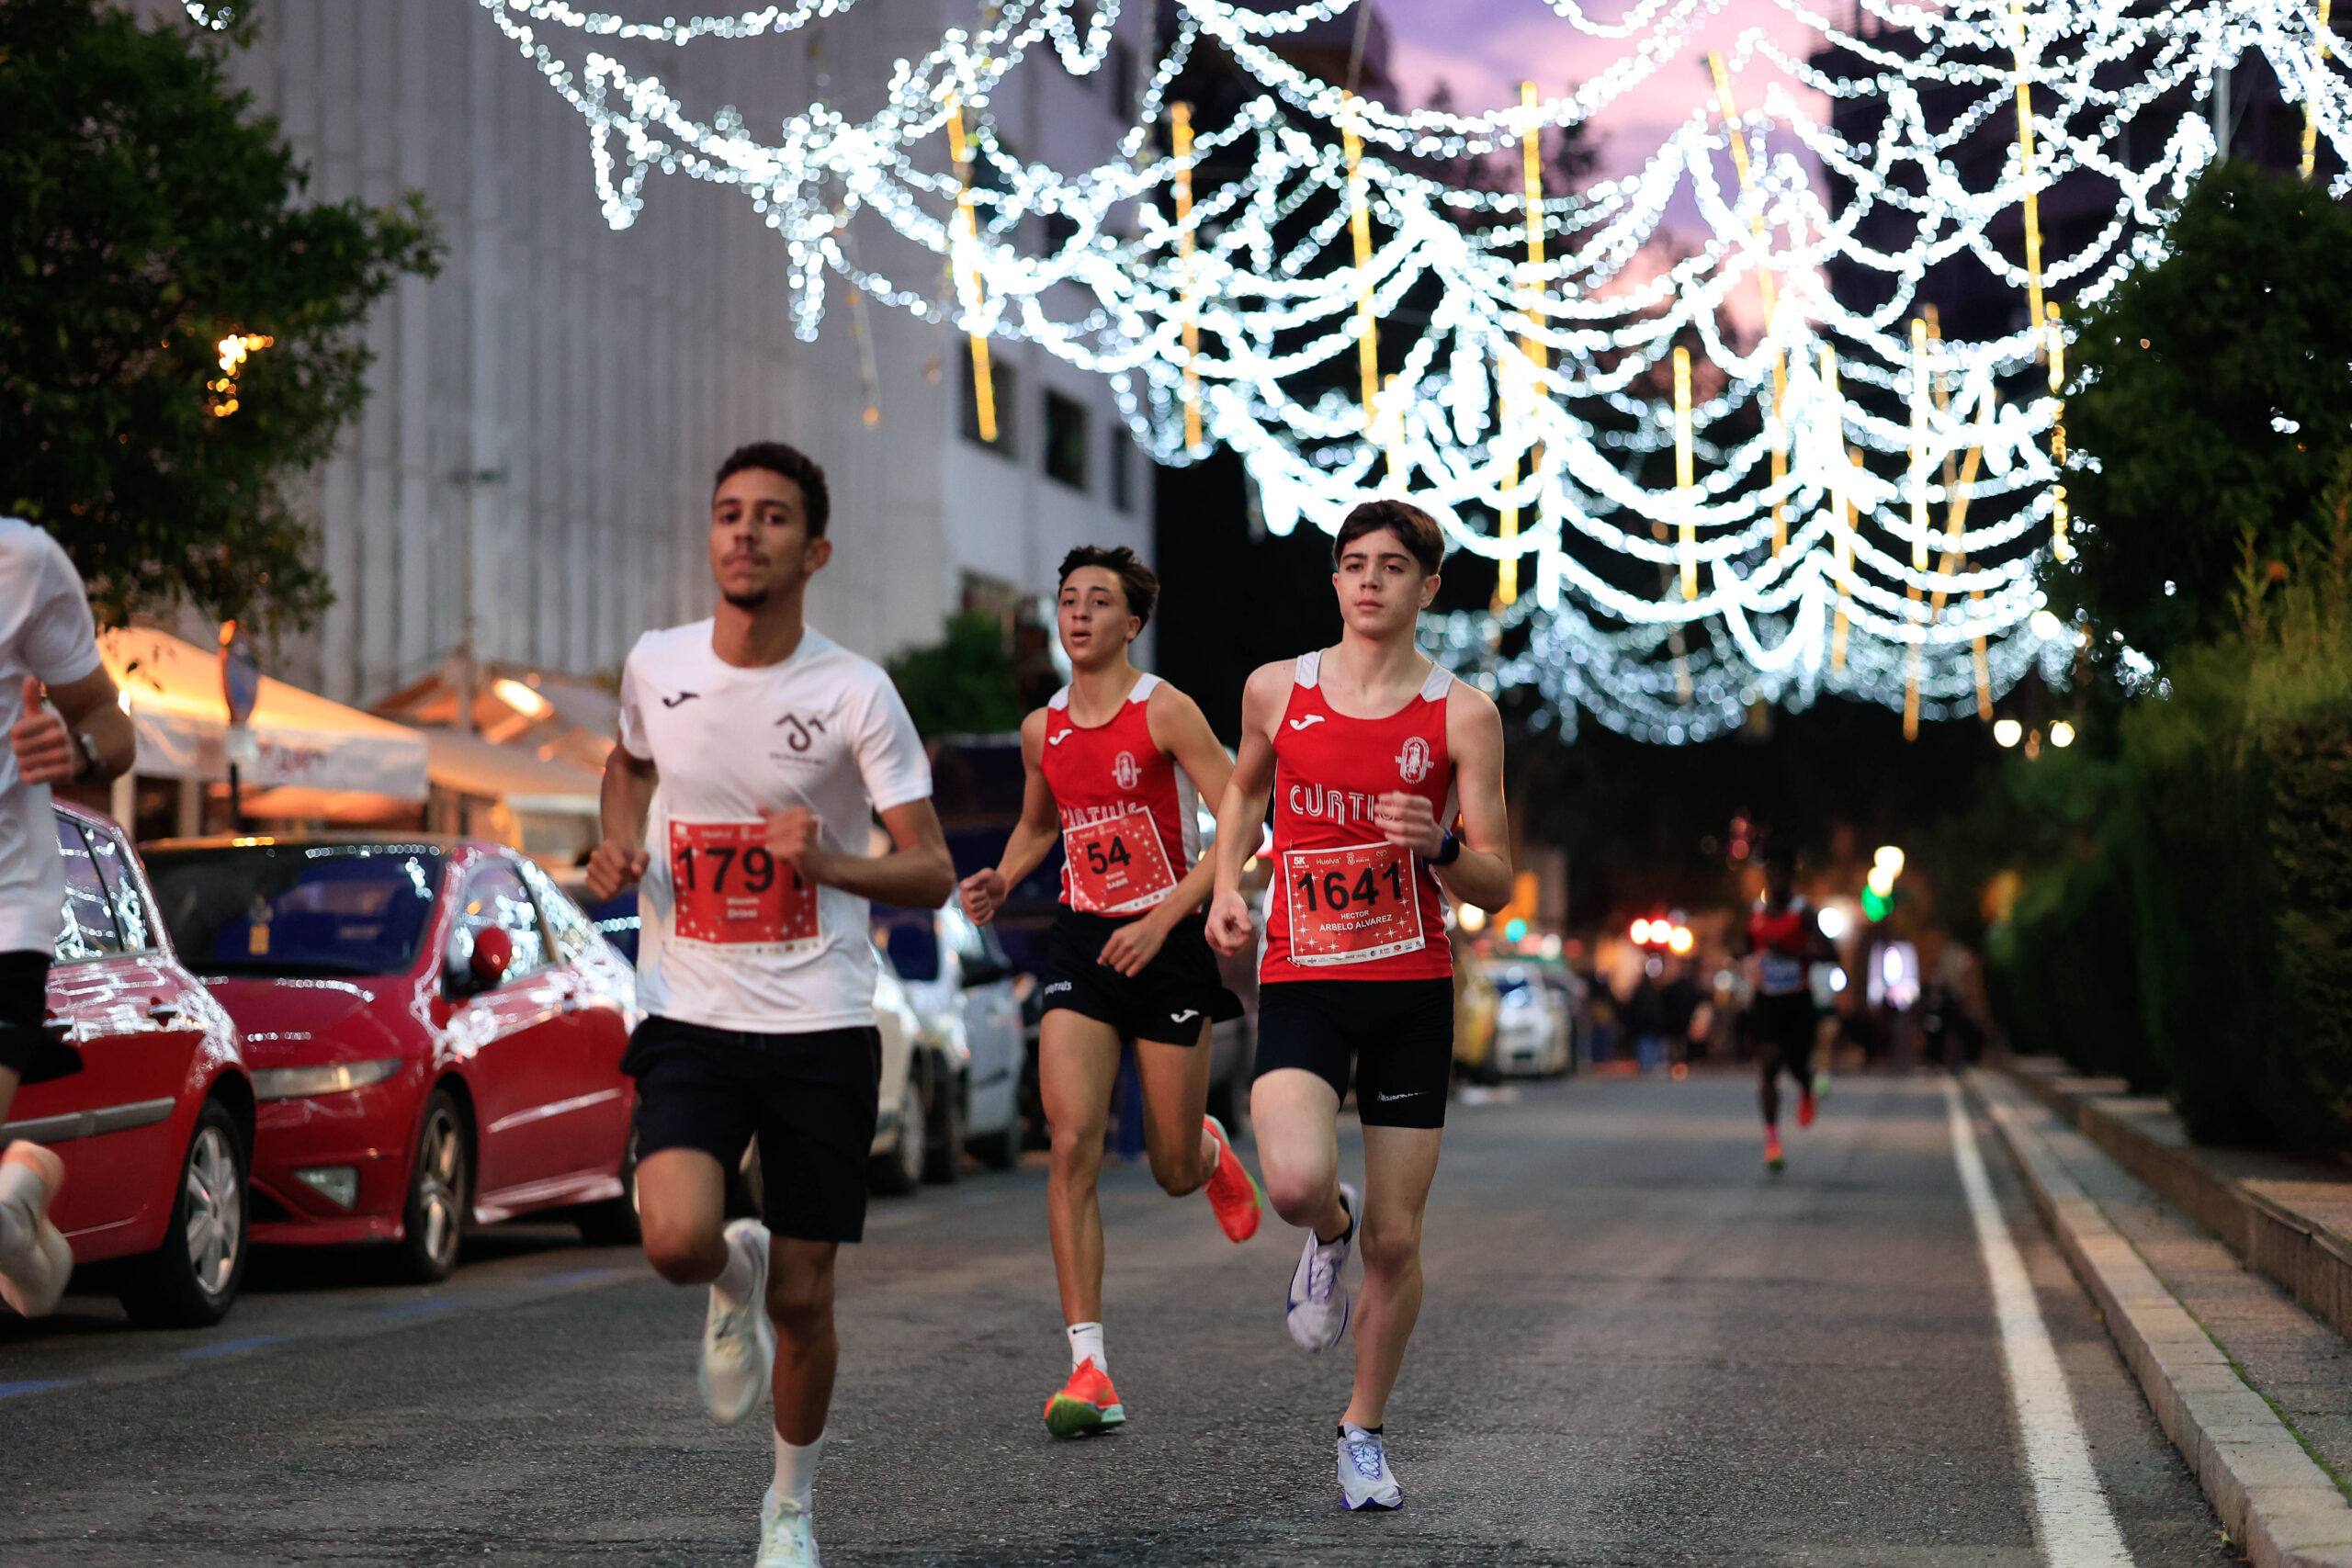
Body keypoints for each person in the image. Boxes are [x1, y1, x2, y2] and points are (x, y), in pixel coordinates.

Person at [583, 444, 955, 1568]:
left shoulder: (855, 692)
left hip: (820, 1021)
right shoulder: (657, 663)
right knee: (675, 1239)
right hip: (689, 1009)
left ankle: (789, 1507)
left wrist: (829, 861)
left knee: (804, 1298)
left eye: (773, 517)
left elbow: (930, 869)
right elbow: (629, 763)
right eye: (729, 513)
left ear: (815, 550)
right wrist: (616, 836)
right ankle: (725, 1271)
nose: (745, 532)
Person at [1205, 500, 1514, 1513]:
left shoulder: (1462, 714)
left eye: (1392, 566)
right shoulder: (1275, 690)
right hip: (1304, 973)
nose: (1370, 580)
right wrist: (1224, 889)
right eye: (1353, 564)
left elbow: (1498, 880)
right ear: (1335, 581)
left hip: (1411, 989)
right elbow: (1243, 794)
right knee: (1295, 1180)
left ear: (1429, 586)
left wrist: (1441, 845)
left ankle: (1362, 1430)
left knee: (1398, 1239)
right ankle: (1323, 1231)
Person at [958, 545, 1263, 1439]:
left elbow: (1240, 822)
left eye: (1099, 601)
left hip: (1166, 944)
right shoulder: (1040, 730)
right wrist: (1004, 874)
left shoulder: (1164, 709)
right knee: (1070, 1143)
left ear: (1131, 622)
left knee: (1168, 1168)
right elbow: (1040, 823)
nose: (1079, 613)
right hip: (1082, 942)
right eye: (1068, 600)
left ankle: (1206, 1149)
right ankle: (1088, 1365)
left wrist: (1164, 918)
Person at [0, 519, 135, 1318]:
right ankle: (14, 1210)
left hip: (6, 911)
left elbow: (111, 721)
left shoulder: (22, 563)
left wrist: (78, 747)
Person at [1743, 842, 1832, 1172]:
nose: (1776, 879)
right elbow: (1746, 944)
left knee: (1795, 1065)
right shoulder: (1756, 911)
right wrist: (1742, 951)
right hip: (1767, 999)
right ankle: (1772, 1141)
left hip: (1797, 1000)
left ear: (1791, 877)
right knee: (1768, 1064)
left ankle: (1806, 1085)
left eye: (1782, 873)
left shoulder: (1803, 911)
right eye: (1771, 873)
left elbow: (1831, 953)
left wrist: (1795, 954)